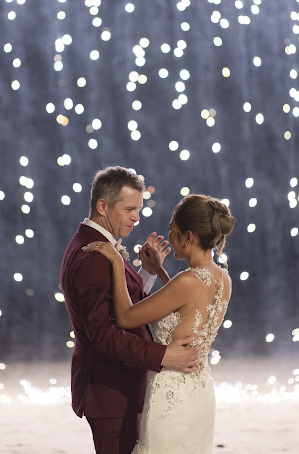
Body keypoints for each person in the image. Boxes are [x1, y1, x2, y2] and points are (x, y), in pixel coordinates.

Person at [59, 166, 199, 454]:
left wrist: (146, 273)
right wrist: (163, 356)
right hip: (111, 390)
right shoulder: (94, 256)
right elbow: (103, 334)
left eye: (139, 209)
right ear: (103, 206)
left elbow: (121, 309)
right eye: (129, 209)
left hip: (119, 387)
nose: (137, 218)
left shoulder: (97, 245)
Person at [84, 193, 235, 454]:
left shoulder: (186, 281)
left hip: (171, 396)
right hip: (199, 394)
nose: (170, 236)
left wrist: (117, 263)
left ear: (188, 237)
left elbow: (126, 317)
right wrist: (160, 272)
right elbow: (185, 308)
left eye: (173, 231)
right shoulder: (223, 278)